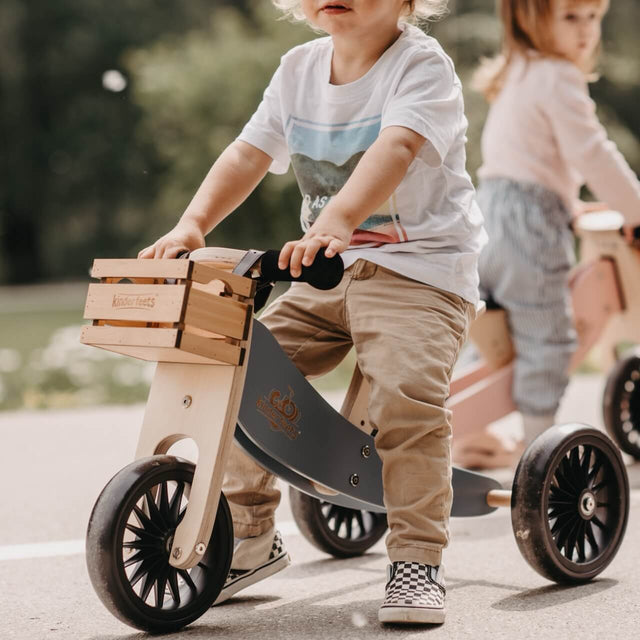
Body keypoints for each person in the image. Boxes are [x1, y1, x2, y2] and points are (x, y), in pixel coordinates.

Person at [139, 0, 486, 625]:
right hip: (329, 270)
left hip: (422, 274)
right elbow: (249, 152)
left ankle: (417, 559)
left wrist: (335, 222)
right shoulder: (298, 69)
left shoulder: (420, 66)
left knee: (405, 395)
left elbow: (397, 147)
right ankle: (246, 537)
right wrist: (193, 223)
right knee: (241, 366)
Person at [463, 0, 640, 461]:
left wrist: (570, 206)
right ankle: (540, 446)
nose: (586, 31)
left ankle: (466, 433)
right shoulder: (559, 76)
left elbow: (529, 162)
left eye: (593, 18)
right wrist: (635, 210)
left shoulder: (518, 70)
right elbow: (593, 154)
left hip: (488, 214)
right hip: (529, 229)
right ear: (529, 18)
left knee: (491, 331)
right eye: (571, 17)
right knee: (549, 337)